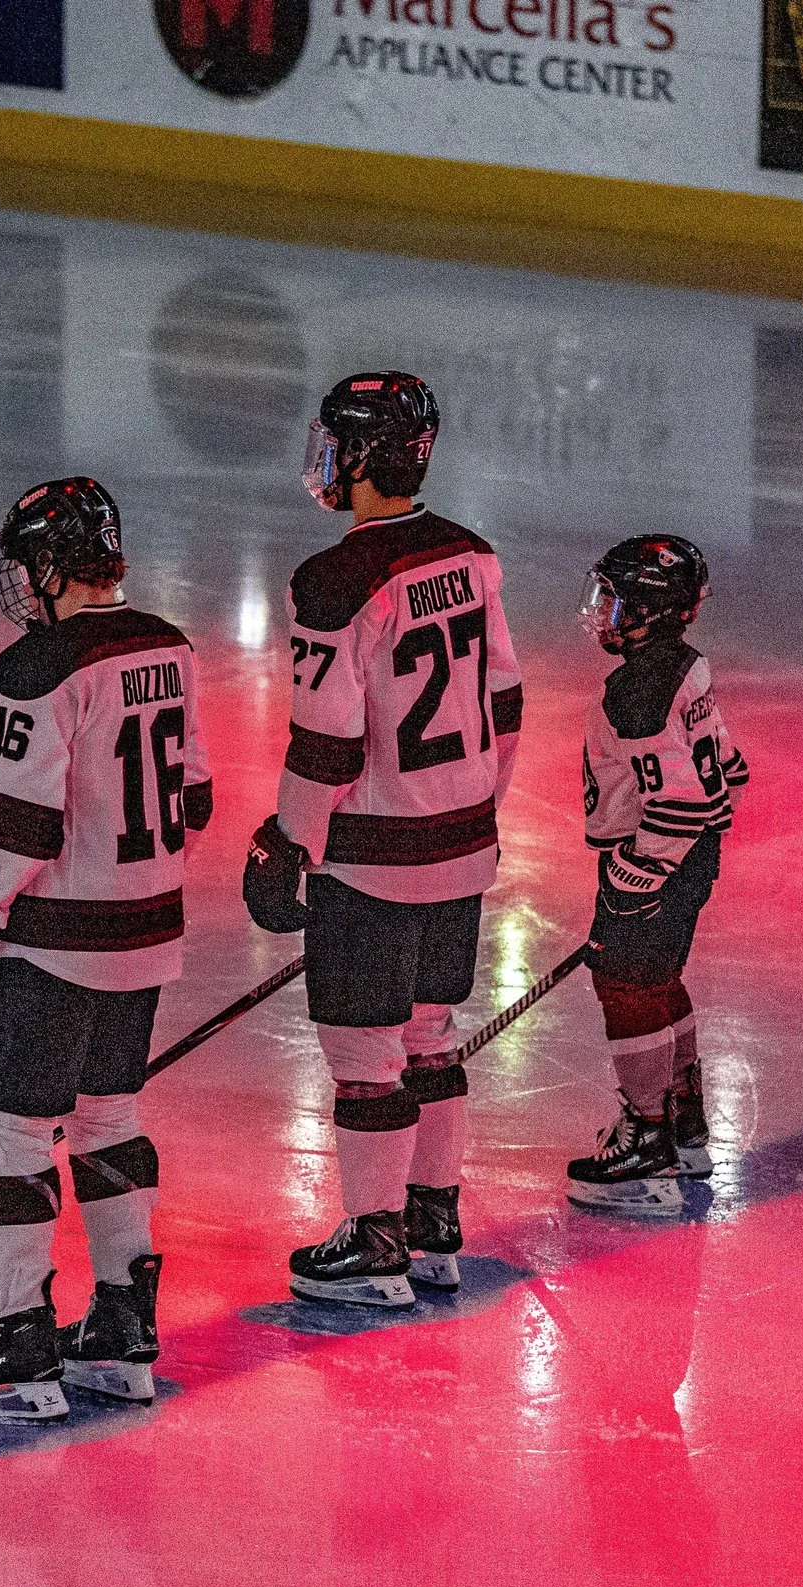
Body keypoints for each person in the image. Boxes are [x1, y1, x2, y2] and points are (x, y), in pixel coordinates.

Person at [0, 477, 213, 1420]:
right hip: (147, 934)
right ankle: (123, 1328)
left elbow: (21, 822)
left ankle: (22, 1344)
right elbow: (194, 797)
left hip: (55, 947)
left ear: (49, 565)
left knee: (3, 1121)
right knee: (107, 1117)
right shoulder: (169, 644)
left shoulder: (39, 666)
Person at [244, 372, 524, 1307]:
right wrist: (476, 804)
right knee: (431, 1031)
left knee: (365, 1049)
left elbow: (327, 738)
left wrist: (287, 841)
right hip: (463, 837)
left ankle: (374, 1239)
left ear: (361, 456)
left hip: (372, 852)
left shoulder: (335, 580)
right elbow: (508, 701)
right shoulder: (474, 557)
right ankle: (433, 1217)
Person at [565, 534, 748, 1211]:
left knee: (626, 985)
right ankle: (684, 1119)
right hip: (691, 857)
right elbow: (729, 770)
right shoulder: (686, 668)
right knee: (660, 979)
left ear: (651, 610)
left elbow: (680, 797)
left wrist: (637, 875)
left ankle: (647, 1141)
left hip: (658, 857)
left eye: (616, 600)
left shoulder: (635, 694)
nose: (602, 611)